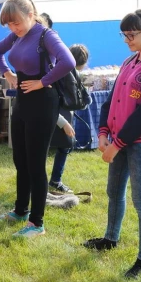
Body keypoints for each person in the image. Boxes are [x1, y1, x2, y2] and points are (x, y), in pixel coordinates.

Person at [84, 8, 141, 279]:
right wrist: (103, 132)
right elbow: (111, 101)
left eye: (131, 34)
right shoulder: (129, 61)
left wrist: (117, 144)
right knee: (114, 191)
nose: (127, 39)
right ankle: (110, 238)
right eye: (124, 35)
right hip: (117, 141)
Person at [0, 0, 75, 238]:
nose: (13, 29)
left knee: (36, 164)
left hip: (43, 103)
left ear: (30, 14)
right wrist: (7, 72)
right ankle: (20, 210)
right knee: (20, 159)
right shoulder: (18, 35)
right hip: (23, 102)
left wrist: (43, 82)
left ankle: (37, 223)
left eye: (16, 23)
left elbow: (67, 60)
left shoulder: (45, 35)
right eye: (9, 25)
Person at [49, 44, 90, 194]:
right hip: (55, 117)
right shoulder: (60, 74)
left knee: (64, 147)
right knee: (58, 147)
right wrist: (63, 122)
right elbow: (49, 103)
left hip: (61, 116)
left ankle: (54, 180)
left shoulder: (69, 73)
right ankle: (52, 181)